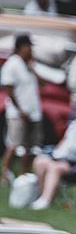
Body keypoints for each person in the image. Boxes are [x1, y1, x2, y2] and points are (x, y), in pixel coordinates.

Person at [1, 34, 42, 181]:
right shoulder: (12, 64)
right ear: (21, 47)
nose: (31, 49)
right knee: (13, 144)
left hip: (33, 112)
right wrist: (20, 110)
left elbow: (41, 85)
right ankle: (5, 175)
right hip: (17, 113)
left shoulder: (29, 65)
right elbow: (9, 88)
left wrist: (34, 68)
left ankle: (23, 175)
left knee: (29, 147)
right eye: (28, 46)